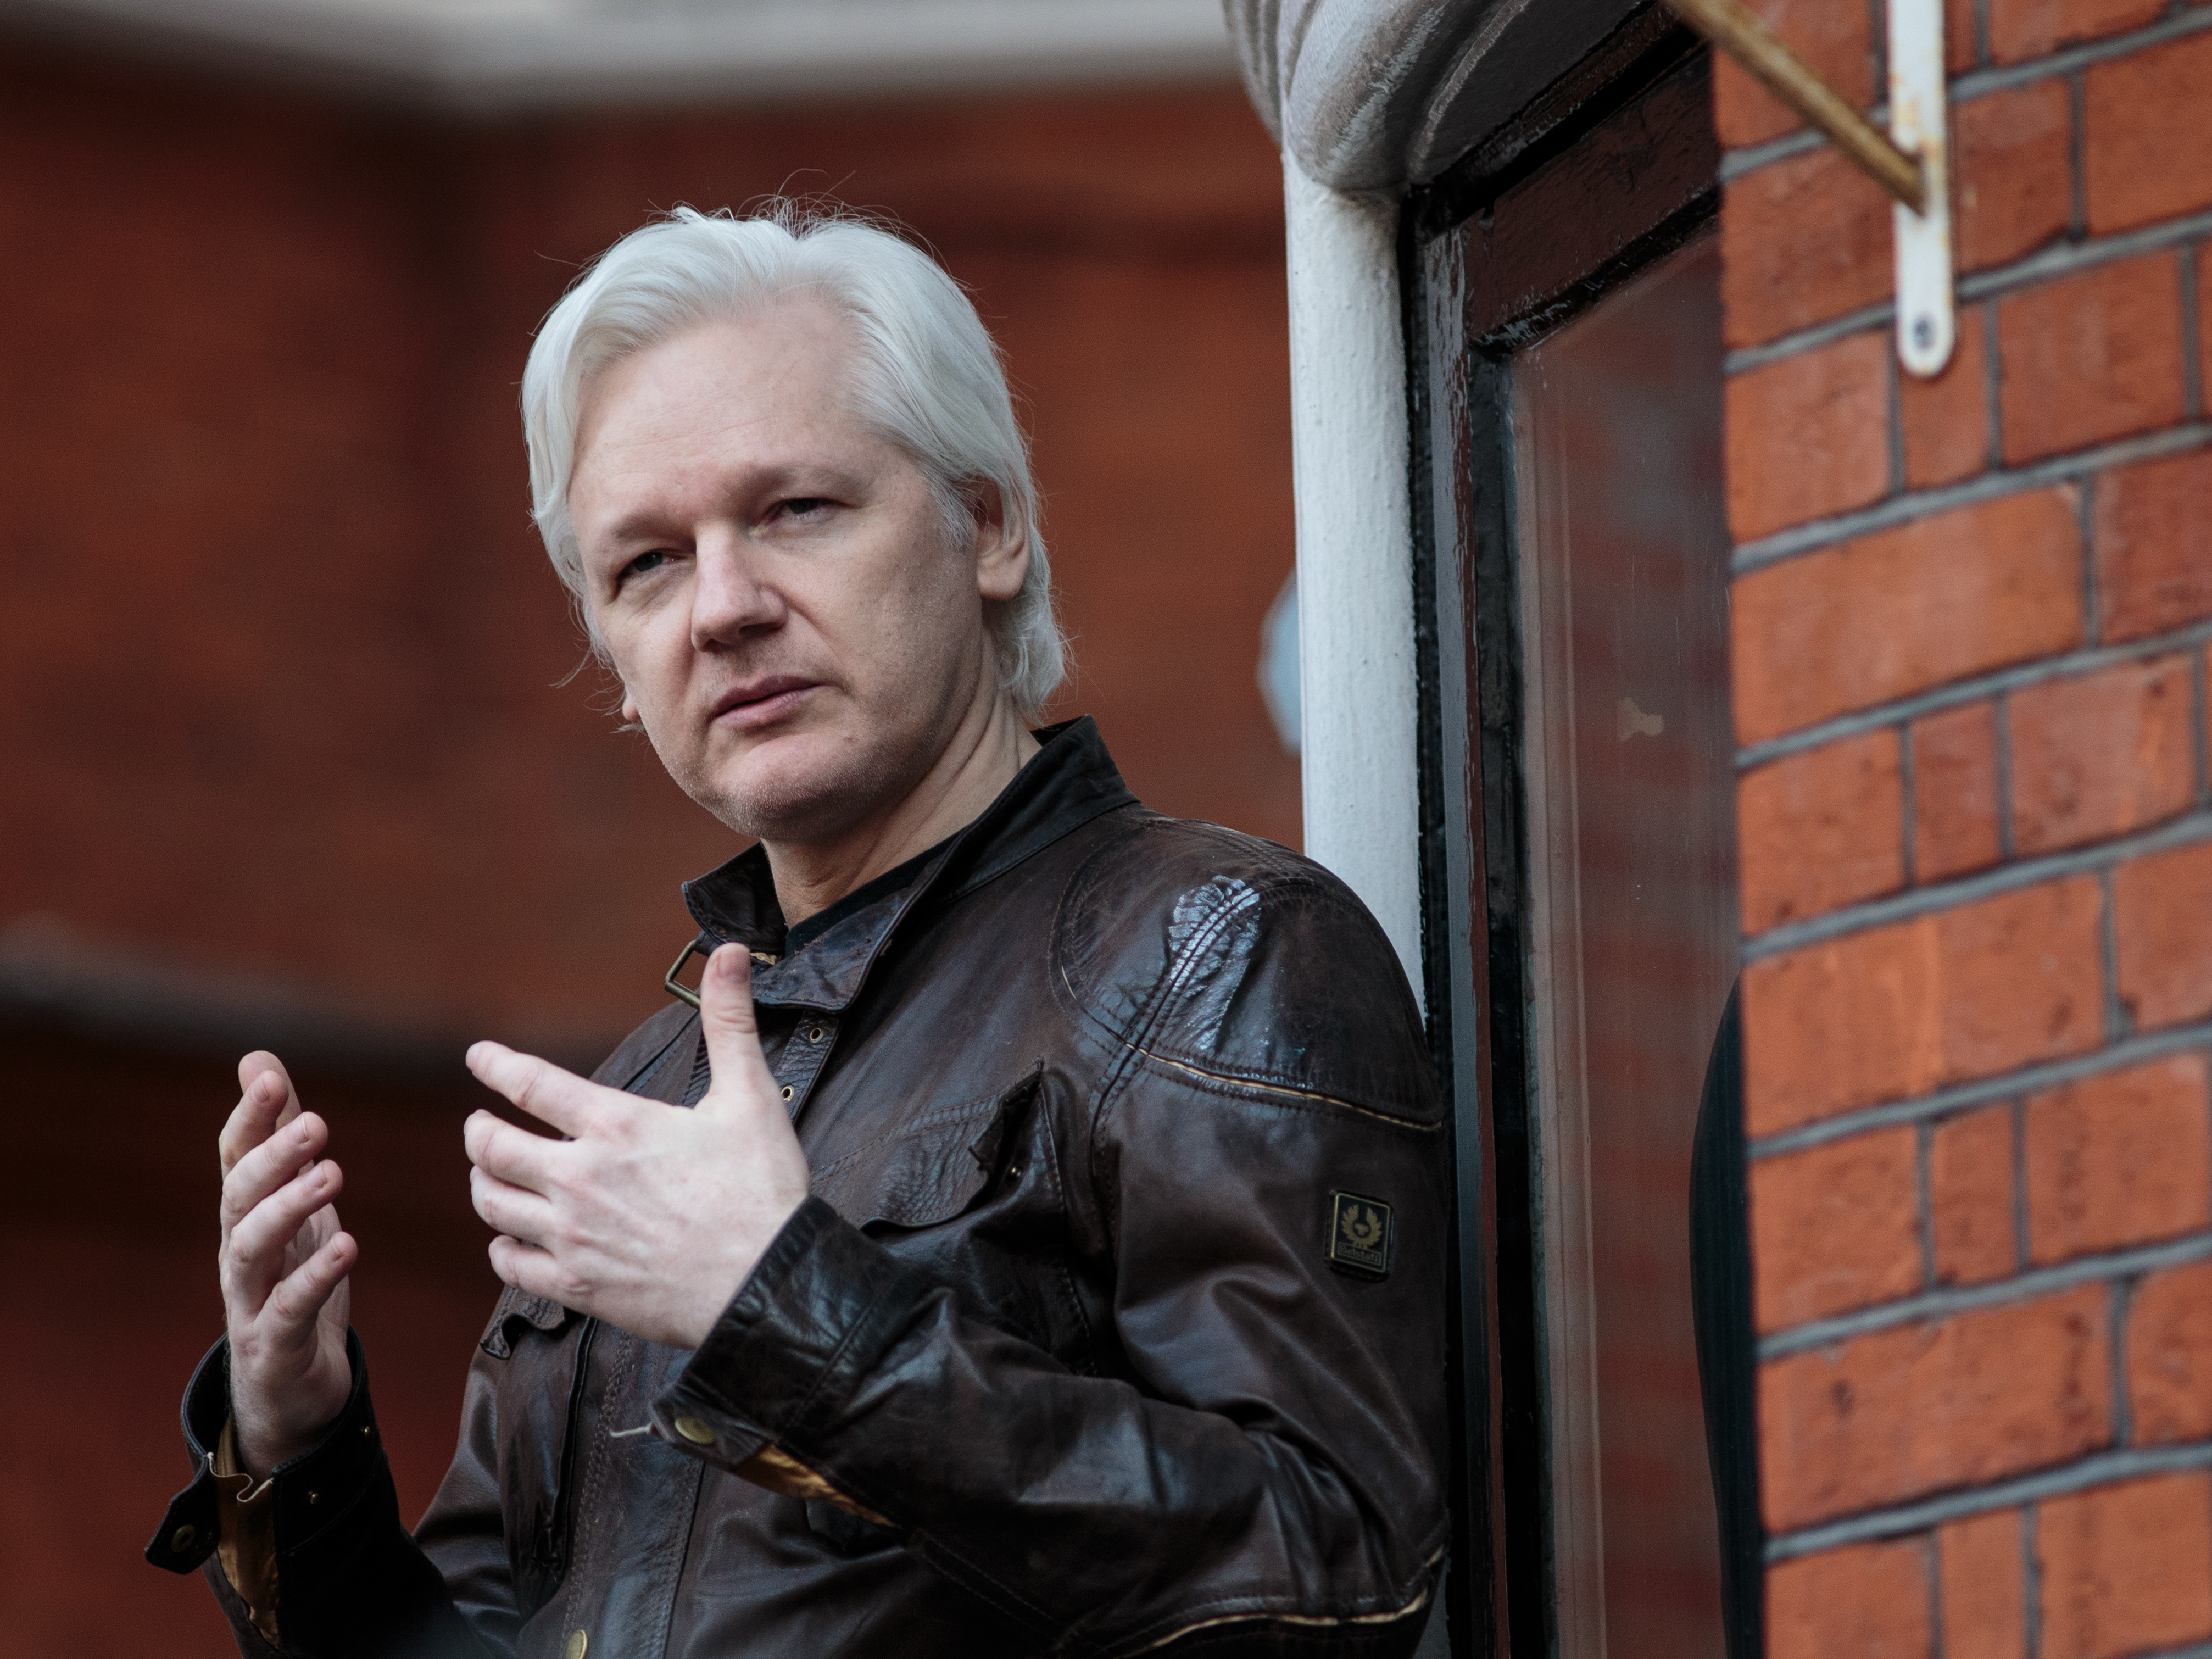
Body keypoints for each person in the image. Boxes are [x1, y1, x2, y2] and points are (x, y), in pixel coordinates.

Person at [148, 204, 1450, 1657]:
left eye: (795, 511)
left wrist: (781, 1306)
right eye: (643, 563)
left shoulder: (1215, 949)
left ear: (987, 524)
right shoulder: (650, 1103)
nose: (721, 606)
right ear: (617, 671)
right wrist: (300, 1442)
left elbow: (1336, 1577)